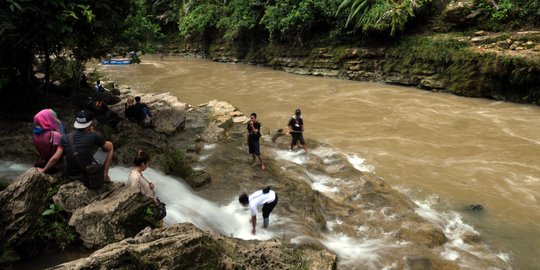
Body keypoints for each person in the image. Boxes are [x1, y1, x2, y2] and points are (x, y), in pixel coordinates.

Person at [38, 110, 114, 183]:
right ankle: (105, 175)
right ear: (90, 124)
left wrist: (44, 170)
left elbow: (55, 158)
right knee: (110, 146)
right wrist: (92, 134)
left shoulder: (64, 138)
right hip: (88, 174)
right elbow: (108, 147)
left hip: (72, 175)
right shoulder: (93, 136)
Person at [127, 150, 163, 226]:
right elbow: (134, 195)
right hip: (147, 208)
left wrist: (148, 186)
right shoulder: (135, 177)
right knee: (157, 225)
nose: (147, 166)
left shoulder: (136, 173)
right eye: (147, 164)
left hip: (150, 205)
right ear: (143, 164)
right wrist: (151, 200)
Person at [32, 109, 65, 173]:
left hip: (41, 163)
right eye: (54, 117)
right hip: (55, 167)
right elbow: (56, 156)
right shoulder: (55, 135)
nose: (56, 119)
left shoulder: (35, 135)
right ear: (48, 119)